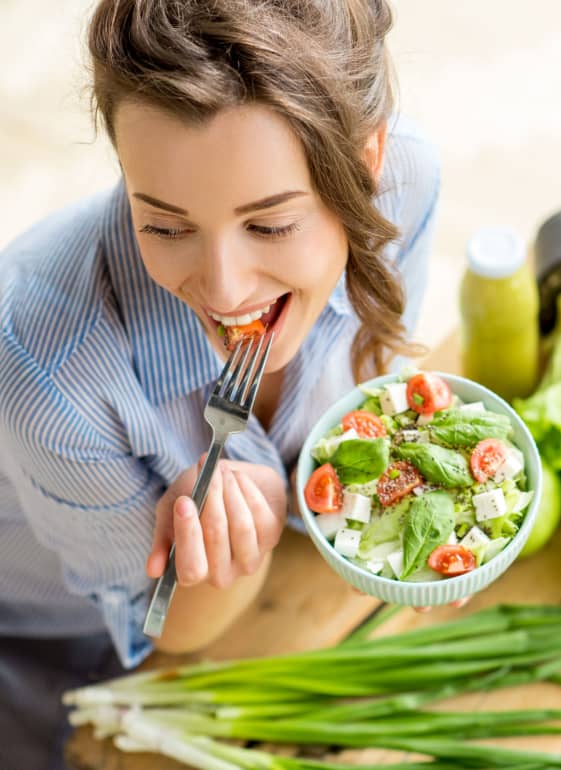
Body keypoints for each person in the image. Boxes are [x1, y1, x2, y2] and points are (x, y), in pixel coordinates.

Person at [0, 1, 442, 767]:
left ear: (366, 166)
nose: (225, 288)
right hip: (60, 651)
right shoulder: (43, 371)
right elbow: (164, 629)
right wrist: (244, 543)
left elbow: (370, 395)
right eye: (166, 226)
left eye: (270, 225)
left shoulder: (408, 183)